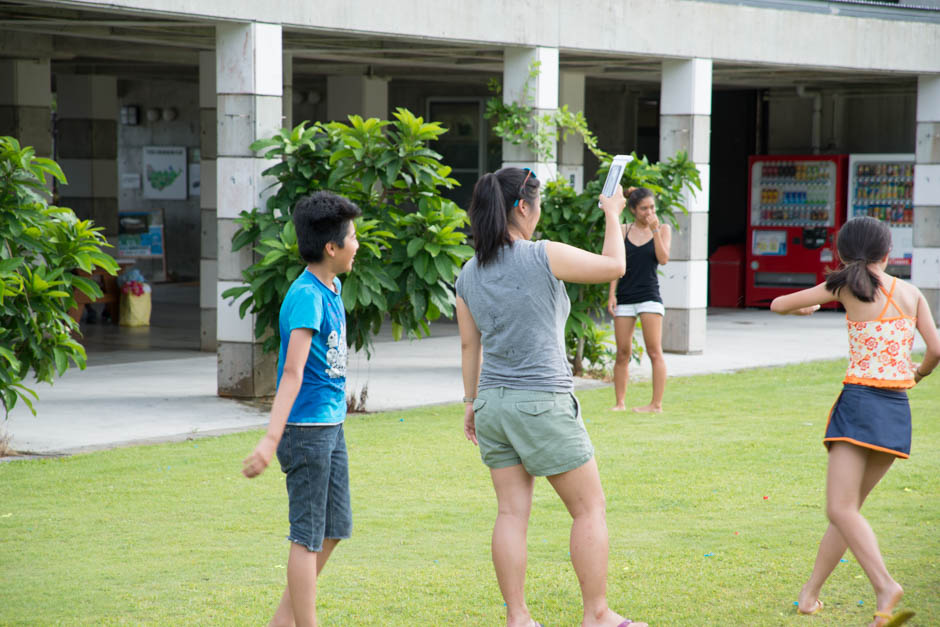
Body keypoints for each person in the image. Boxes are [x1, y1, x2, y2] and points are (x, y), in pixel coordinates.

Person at [456, 166, 648, 627]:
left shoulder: (468, 271)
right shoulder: (541, 254)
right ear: (522, 206)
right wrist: (611, 213)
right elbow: (615, 267)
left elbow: (469, 345)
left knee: (510, 513)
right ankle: (597, 614)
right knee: (588, 508)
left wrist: (470, 403)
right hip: (541, 399)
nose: (538, 212)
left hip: (493, 405)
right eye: (537, 204)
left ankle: (518, 619)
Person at [770, 216, 939, 627]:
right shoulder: (912, 293)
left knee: (840, 508)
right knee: (849, 510)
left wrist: (807, 307)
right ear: (887, 253)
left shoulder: (843, 286)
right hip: (896, 410)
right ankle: (809, 595)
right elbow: (935, 351)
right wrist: (915, 374)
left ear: (842, 254)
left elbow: (778, 305)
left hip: (860, 403)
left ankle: (885, 586)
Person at [242, 191, 361, 627]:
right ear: (331, 248)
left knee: (333, 529)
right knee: (307, 537)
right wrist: (270, 440)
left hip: (331, 426)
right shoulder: (307, 296)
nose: (357, 244)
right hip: (306, 430)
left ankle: (281, 622)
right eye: (352, 237)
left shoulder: (332, 286)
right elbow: (291, 373)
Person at [606, 187, 671, 412]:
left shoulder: (663, 229)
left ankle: (656, 404)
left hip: (649, 296)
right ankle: (620, 403)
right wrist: (612, 293)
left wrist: (655, 231)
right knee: (622, 352)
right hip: (625, 296)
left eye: (652, 207)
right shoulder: (623, 230)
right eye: (644, 208)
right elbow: (616, 265)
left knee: (654, 351)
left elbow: (663, 259)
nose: (649, 212)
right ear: (633, 210)